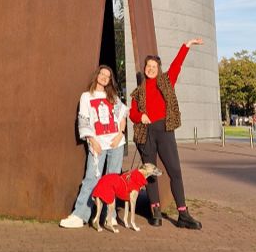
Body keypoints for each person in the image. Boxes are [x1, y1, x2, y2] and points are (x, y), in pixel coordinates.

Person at [129, 38, 203, 230]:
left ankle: (183, 214)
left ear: (158, 68)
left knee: (175, 172)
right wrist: (140, 116)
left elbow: (177, 64)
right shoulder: (138, 92)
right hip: (147, 134)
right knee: (150, 172)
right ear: (145, 69)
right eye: (148, 66)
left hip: (164, 131)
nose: (151, 69)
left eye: (154, 66)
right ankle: (155, 211)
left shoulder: (166, 81)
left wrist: (186, 46)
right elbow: (132, 113)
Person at [59, 65, 128, 228]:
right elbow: (83, 119)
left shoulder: (113, 96)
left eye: (108, 75)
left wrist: (120, 134)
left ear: (110, 80)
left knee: (112, 179)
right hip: (97, 143)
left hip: (116, 143)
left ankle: (108, 216)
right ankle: (80, 215)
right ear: (97, 75)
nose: (105, 77)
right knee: (92, 177)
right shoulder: (86, 97)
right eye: (102, 74)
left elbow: (123, 114)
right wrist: (92, 140)